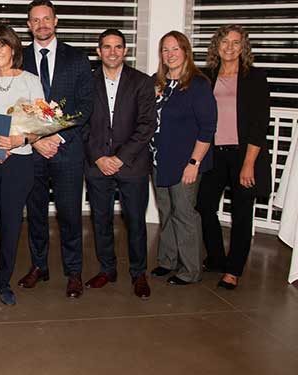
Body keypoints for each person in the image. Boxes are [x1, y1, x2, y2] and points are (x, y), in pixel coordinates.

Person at [18, 0, 93, 298]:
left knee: (70, 214)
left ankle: (73, 271)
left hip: (68, 149)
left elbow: (86, 105)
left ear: (56, 20)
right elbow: (14, 108)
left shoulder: (77, 58)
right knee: (34, 212)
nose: (41, 25)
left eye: (46, 18)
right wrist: (37, 140)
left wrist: (57, 137)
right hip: (33, 151)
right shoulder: (18, 59)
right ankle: (39, 266)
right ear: (28, 25)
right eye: (35, 20)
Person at [0, 25, 44, 307]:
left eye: (2, 45)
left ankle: (4, 281)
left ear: (13, 48)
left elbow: (41, 125)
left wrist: (19, 140)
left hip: (20, 160)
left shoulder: (30, 81)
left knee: (12, 224)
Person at [83, 29, 156, 299]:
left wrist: (120, 157)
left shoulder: (142, 82)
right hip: (97, 164)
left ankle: (139, 274)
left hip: (132, 164)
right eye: (107, 47)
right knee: (100, 220)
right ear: (98, 51)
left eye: (117, 47)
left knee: (135, 221)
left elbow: (147, 125)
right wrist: (99, 157)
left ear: (125, 51)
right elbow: (81, 124)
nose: (112, 52)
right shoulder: (87, 82)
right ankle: (107, 269)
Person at [197, 25, 271, 290]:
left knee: (241, 213)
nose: (229, 47)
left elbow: (260, 125)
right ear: (216, 45)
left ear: (244, 47)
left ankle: (233, 269)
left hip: (244, 155)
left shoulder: (255, 77)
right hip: (214, 153)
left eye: (236, 43)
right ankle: (217, 258)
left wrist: (249, 163)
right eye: (224, 42)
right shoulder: (207, 75)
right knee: (204, 205)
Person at [150, 30, 217, 286]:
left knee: (185, 214)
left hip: (186, 162)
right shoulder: (156, 83)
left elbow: (208, 128)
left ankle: (190, 270)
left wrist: (194, 163)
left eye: (175, 49)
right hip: (159, 160)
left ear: (186, 52)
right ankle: (167, 261)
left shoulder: (198, 85)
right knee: (166, 211)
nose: (170, 54)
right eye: (166, 50)